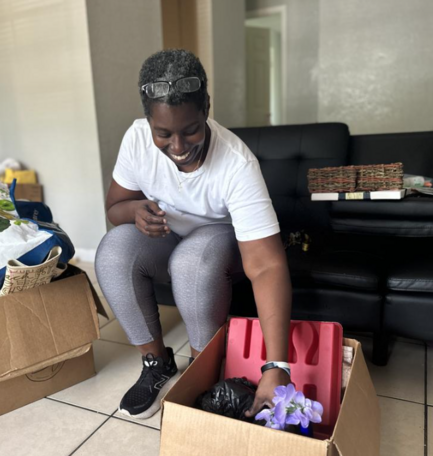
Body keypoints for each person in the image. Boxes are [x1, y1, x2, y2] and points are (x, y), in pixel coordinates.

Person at [95, 49, 292, 420]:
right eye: (163, 133)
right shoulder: (136, 140)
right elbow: (114, 208)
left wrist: (276, 364)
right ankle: (157, 364)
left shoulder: (237, 163)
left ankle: (204, 373)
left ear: (206, 110)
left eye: (190, 130)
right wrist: (134, 212)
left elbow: (266, 266)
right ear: (147, 122)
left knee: (192, 262)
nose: (179, 147)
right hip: (167, 236)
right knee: (113, 251)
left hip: (218, 245)